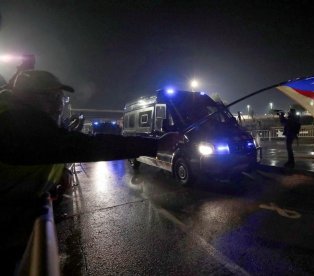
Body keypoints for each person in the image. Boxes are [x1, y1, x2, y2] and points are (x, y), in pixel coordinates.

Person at [0, 69, 180, 274]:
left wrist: (58, 172)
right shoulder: (14, 122)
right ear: (31, 97)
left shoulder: (16, 115)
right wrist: (155, 145)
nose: (59, 105)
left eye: (60, 98)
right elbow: (81, 146)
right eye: (53, 97)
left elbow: (50, 149)